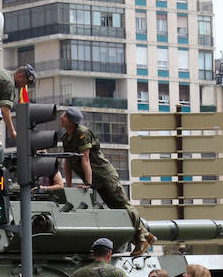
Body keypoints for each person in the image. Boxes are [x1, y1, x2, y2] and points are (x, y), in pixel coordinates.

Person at [60, 107, 156, 256]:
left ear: (72, 121)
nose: (61, 117)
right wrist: (69, 186)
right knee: (117, 209)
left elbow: (85, 158)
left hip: (105, 176)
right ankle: (147, 235)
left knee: (124, 206)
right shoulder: (66, 137)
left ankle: (142, 240)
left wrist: (88, 183)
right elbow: (68, 162)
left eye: (64, 116)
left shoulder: (82, 133)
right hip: (97, 180)